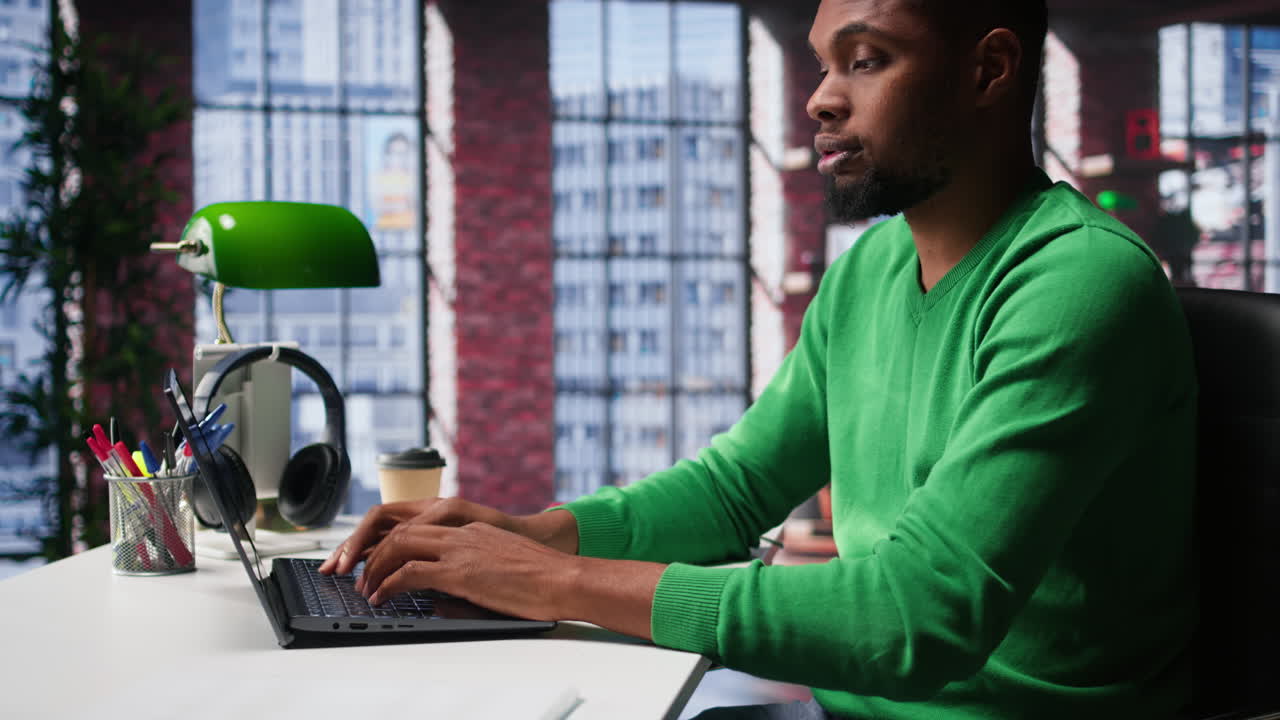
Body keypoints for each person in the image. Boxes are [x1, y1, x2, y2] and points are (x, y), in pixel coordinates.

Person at [320, 0, 1197, 717]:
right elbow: (734, 489)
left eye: (866, 60)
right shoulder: (870, 270)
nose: (820, 99)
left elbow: (915, 618)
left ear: (989, 70)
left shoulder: (1080, 283)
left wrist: (558, 581)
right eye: (823, 64)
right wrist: (531, 534)